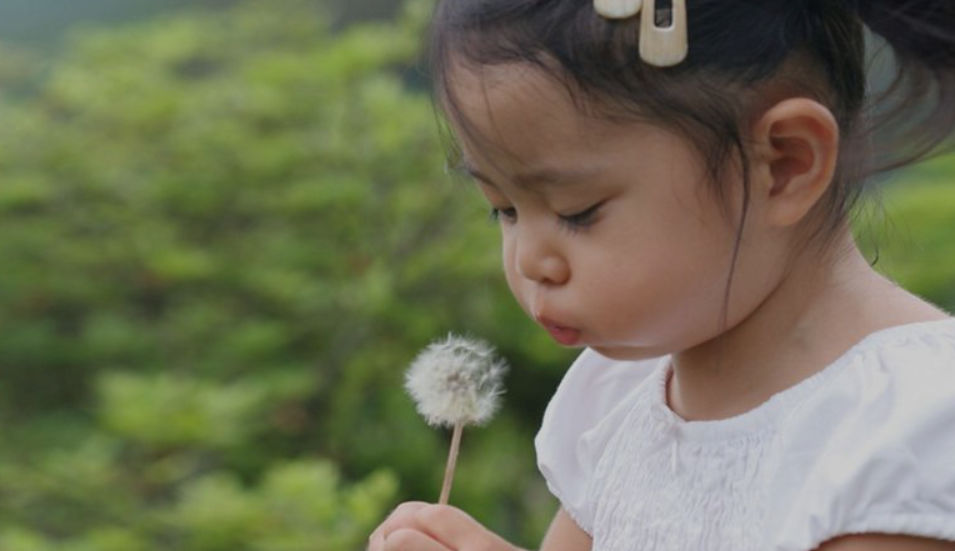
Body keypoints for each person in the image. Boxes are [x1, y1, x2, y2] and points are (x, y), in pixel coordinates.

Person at [369, 0, 955, 549]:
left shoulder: (903, 436)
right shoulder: (617, 398)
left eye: (577, 213)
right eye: (505, 209)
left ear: (784, 164)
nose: (529, 261)